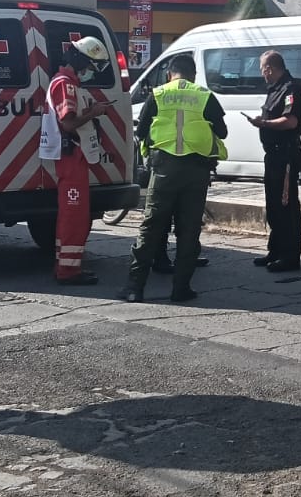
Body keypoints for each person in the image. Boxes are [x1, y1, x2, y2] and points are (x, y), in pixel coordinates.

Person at [123, 52, 227, 303]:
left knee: (151, 226)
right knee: (189, 230)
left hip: (164, 169)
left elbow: (143, 129)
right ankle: (181, 289)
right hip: (196, 171)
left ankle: (135, 289)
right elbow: (222, 131)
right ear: (193, 75)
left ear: (170, 74)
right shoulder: (204, 96)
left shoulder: (158, 94)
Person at [48, 37, 119, 286]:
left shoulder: (69, 84)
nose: (92, 72)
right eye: (92, 66)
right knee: (74, 217)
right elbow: (67, 123)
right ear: (81, 61)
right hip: (71, 157)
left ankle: (66, 266)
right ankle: (68, 272)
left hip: (75, 157)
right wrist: (94, 112)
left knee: (74, 216)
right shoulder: (65, 85)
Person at [250, 49, 301, 272]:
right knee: (273, 204)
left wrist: (264, 124)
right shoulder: (274, 89)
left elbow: (291, 121)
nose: (263, 75)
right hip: (272, 155)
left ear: (270, 68)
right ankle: (276, 250)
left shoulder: (291, 88)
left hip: (286, 154)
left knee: (286, 204)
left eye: (263, 70)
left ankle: (290, 256)